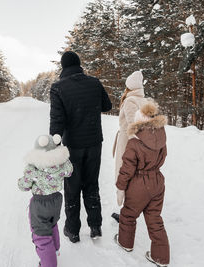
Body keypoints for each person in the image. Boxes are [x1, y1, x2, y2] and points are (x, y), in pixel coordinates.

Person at [49, 51, 112, 243]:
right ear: (78, 64)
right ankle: (95, 226)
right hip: (94, 143)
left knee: (72, 186)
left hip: (72, 146)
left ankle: (73, 230)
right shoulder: (94, 83)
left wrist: (53, 146)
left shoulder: (58, 88)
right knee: (91, 184)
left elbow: (57, 121)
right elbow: (107, 106)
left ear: (63, 67)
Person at [114, 101, 170, 267]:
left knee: (129, 214)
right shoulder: (161, 139)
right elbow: (163, 157)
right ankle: (161, 257)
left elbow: (127, 169)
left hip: (139, 183)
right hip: (158, 182)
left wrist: (120, 186)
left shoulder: (135, 143)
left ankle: (125, 243)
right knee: (154, 218)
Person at [18, 134, 73, 267]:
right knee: (52, 225)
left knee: (41, 236)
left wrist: (21, 182)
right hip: (56, 201)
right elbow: (70, 171)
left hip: (40, 204)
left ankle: (49, 263)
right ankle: (55, 250)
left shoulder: (34, 167)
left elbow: (24, 186)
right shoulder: (61, 164)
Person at [112, 70, 149, 222]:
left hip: (128, 143)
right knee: (133, 176)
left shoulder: (130, 100)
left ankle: (127, 213)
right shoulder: (144, 100)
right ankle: (129, 211)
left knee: (124, 175)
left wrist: (134, 144)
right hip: (138, 144)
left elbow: (135, 125)